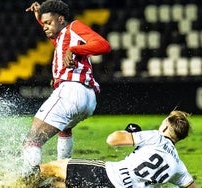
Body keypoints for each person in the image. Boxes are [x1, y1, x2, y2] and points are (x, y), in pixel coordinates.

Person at [23, 0, 111, 175]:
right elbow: (57, 37)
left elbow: (104, 46)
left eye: (48, 22)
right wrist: (40, 16)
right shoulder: (62, 38)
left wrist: (75, 50)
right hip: (87, 99)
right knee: (65, 129)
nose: (44, 27)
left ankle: (27, 181)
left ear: (61, 19)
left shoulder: (74, 28)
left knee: (32, 139)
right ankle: (63, 174)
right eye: (43, 23)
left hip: (72, 91)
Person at [39, 110, 197, 188]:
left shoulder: (157, 136)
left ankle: (15, 182)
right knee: (58, 186)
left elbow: (112, 140)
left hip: (110, 176)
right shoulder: (179, 166)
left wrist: (129, 133)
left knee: (54, 168)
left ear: (166, 126)